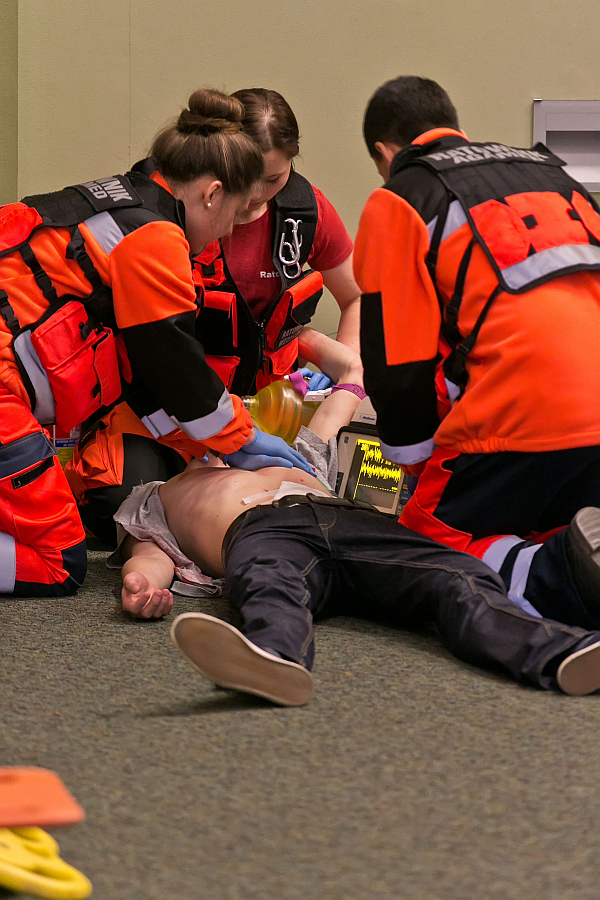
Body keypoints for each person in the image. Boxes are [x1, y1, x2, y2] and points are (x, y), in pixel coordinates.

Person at [113, 336, 600, 704]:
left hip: (351, 520)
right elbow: (149, 551)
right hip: (261, 532)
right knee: (268, 584)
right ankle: (275, 657)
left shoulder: (294, 454)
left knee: (455, 574)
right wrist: (142, 585)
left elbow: (351, 378)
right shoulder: (158, 494)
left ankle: (558, 651)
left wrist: (305, 340)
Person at [0, 87, 312, 597]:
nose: (225, 234)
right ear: (212, 194)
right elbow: (176, 363)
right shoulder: (156, 237)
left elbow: (144, 370)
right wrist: (242, 439)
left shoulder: (125, 204)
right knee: (57, 563)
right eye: (233, 215)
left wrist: (215, 441)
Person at [354, 75, 600, 629]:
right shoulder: (554, 175)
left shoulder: (401, 197)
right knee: (547, 519)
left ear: (384, 153)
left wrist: (411, 460)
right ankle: (567, 553)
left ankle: (556, 574)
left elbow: (398, 361)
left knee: (425, 541)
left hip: (520, 411)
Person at [67, 86, 361, 546]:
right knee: (116, 512)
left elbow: (356, 298)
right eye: (248, 180)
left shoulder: (305, 213)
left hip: (261, 410)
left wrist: (342, 371)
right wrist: (224, 438)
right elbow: (159, 349)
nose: (255, 198)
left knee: (254, 508)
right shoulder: (163, 223)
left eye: (273, 179)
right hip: (160, 403)